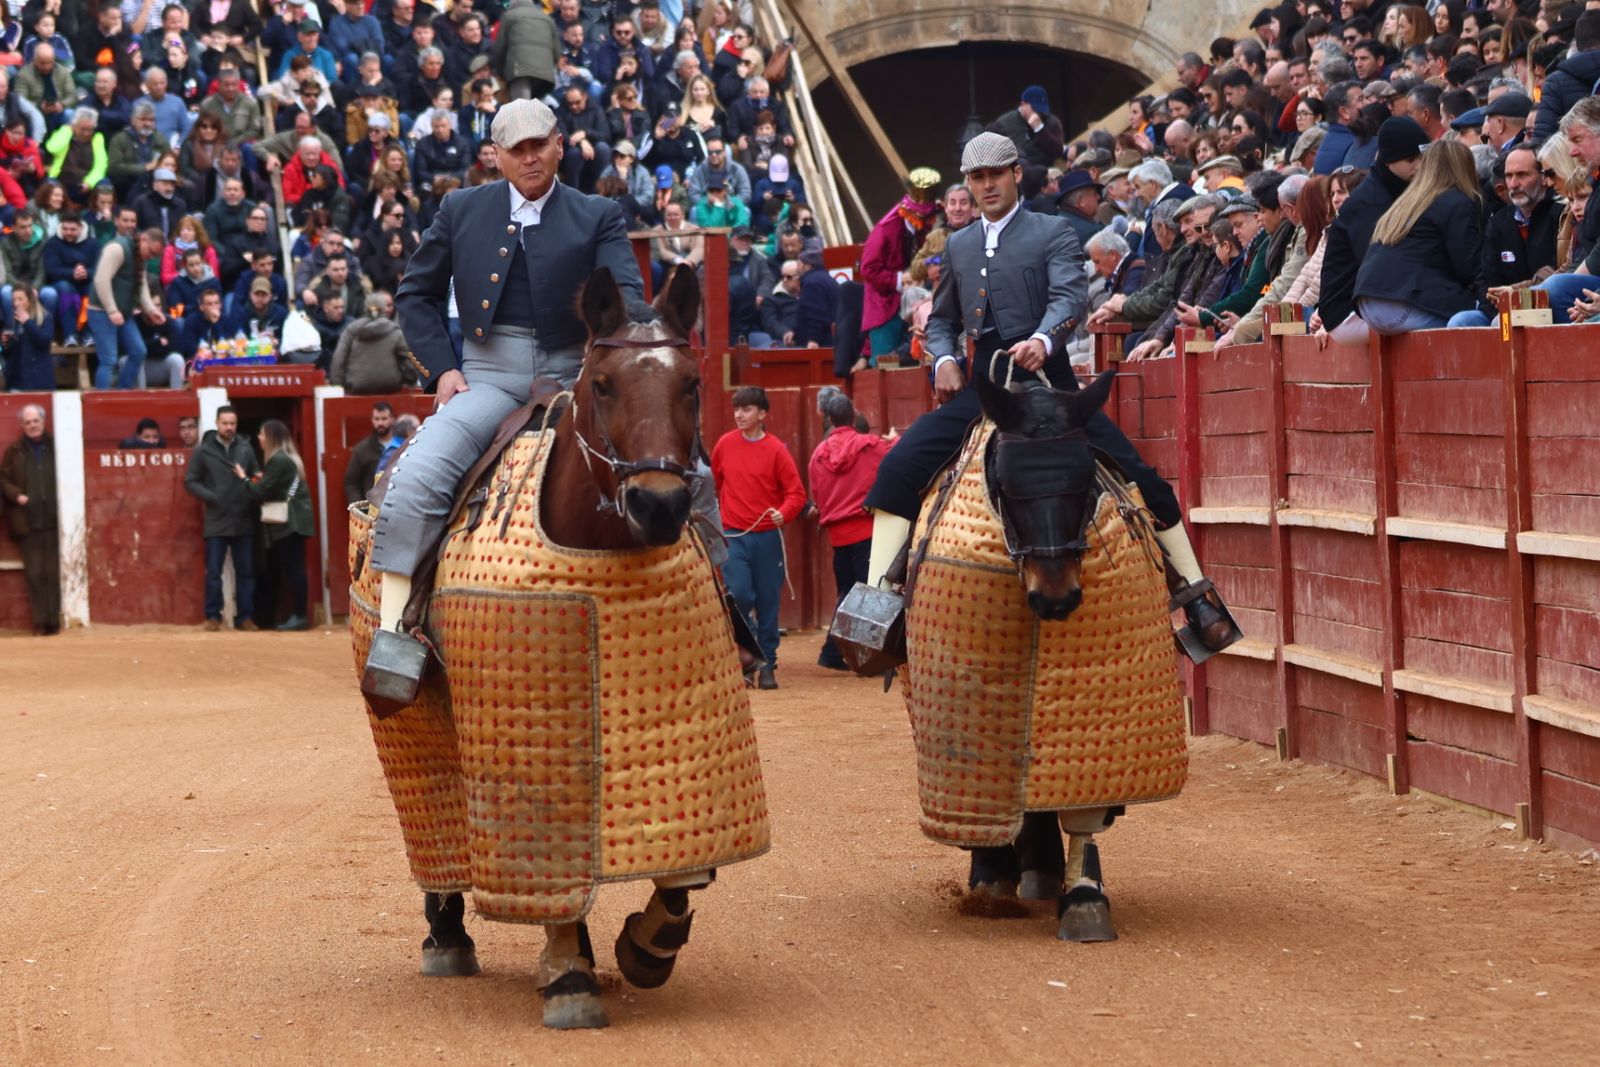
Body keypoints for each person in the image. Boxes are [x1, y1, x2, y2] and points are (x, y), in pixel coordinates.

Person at [860, 132, 1234, 655]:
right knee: (897, 470)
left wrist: (1042, 338)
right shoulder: (961, 243)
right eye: (977, 177)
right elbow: (942, 320)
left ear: (1016, 175)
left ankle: (1196, 597)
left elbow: (1069, 297)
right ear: (968, 183)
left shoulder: (1052, 231)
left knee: (1142, 476)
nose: (987, 185)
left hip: (1052, 386)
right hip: (986, 390)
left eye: (996, 175)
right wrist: (942, 358)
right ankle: (875, 613)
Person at [372, 99, 643, 667]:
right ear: (494, 156)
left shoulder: (598, 214)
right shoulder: (460, 208)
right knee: (418, 474)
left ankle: (720, 606)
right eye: (515, 149)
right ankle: (395, 634)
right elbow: (415, 295)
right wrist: (444, 370)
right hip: (488, 377)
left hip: (574, 375)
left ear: (559, 144)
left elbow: (629, 301)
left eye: (538, 144)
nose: (529, 158)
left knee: (679, 464)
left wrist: (613, 367)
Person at [711, 385, 807, 689]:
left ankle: (768, 663)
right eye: (737, 408)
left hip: (767, 537)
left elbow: (797, 494)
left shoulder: (777, 449)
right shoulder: (724, 445)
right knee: (737, 595)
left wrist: (785, 512)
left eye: (746, 409)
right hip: (733, 534)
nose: (739, 414)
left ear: (762, 414)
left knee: (768, 602)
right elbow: (714, 484)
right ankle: (752, 655)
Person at [1353, 139, 1486, 334]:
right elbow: (1468, 266)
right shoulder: (1457, 202)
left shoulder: (1406, 203)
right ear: (1465, 167)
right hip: (1403, 302)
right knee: (1478, 319)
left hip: (1368, 304)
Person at [1315, 117, 1426, 344]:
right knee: (1454, 319)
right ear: (1389, 161)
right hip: (1348, 312)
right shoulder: (1371, 201)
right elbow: (1377, 265)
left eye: (1422, 157)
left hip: (1362, 304)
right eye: (1411, 159)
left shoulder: (1388, 188)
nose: (1419, 164)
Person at [808, 388, 890, 671]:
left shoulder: (819, 454)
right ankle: (858, 656)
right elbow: (899, 455)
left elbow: (817, 495)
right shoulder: (872, 445)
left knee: (848, 591)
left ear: (829, 418)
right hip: (865, 531)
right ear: (853, 415)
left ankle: (832, 652)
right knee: (866, 595)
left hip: (837, 535)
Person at [858, 167, 942, 371]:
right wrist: (901, 279)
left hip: (921, 302)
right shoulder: (885, 229)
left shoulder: (931, 227)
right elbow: (867, 268)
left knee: (924, 357)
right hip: (886, 306)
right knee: (886, 364)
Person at [183, 405, 259, 632]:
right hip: (216, 519)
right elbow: (190, 481)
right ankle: (213, 616)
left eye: (232, 423)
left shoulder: (245, 448)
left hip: (242, 517)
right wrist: (211, 496)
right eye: (225, 423)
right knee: (214, 571)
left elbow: (256, 475)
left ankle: (245, 617)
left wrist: (252, 484)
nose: (229, 427)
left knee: (245, 572)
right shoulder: (203, 451)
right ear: (217, 423)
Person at [240, 419, 313, 632]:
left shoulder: (278, 460)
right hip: (295, 519)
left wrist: (244, 479)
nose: (259, 438)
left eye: (262, 434)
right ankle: (299, 614)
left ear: (270, 437)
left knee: (294, 569)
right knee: (295, 568)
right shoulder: (287, 458)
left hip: (290, 521)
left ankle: (300, 616)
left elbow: (261, 492)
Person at [87, 213, 164, 389]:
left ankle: (122, 392)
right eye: (151, 252)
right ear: (144, 239)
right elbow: (101, 280)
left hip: (124, 312)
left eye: (155, 255)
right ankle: (102, 401)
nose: (151, 257)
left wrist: (151, 309)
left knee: (139, 351)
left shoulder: (140, 256)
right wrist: (112, 310)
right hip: (101, 310)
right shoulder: (117, 248)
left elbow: (142, 285)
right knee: (109, 360)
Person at [1, 404, 58, 634]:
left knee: (53, 573)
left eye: (36, 421)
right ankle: (40, 622)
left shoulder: (56, 446)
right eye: (28, 422)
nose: (33, 425)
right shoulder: (14, 451)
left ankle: (54, 621)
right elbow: (2, 480)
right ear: (22, 426)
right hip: (27, 520)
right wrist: (16, 495)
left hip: (54, 519)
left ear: (43, 421)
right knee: (35, 574)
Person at [330, 293, 418, 394]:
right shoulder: (394, 331)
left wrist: (338, 386)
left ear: (365, 308)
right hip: (391, 388)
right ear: (384, 309)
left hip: (356, 388)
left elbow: (339, 358)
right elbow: (408, 360)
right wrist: (410, 380)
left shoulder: (351, 330)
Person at [492, 0, 560, 101]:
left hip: (519, 71)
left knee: (522, 109)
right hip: (545, 74)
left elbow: (499, 49)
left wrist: (500, 72)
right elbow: (557, 51)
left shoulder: (508, 16)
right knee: (536, 110)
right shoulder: (546, 18)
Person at [344, 401, 396, 505]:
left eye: (384, 419)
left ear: (392, 420)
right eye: (376, 419)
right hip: (372, 509)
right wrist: (360, 507)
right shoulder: (362, 449)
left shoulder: (402, 445)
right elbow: (351, 482)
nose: (380, 423)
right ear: (372, 420)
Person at [1, 286, 53, 391]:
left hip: (38, 381)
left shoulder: (45, 317)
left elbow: (45, 341)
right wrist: (5, 344)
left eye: (20, 299)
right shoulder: (12, 320)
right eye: (14, 299)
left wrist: (27, 322)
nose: (16, 303)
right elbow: (8, 353)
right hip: (15, 382)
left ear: (30, 300)